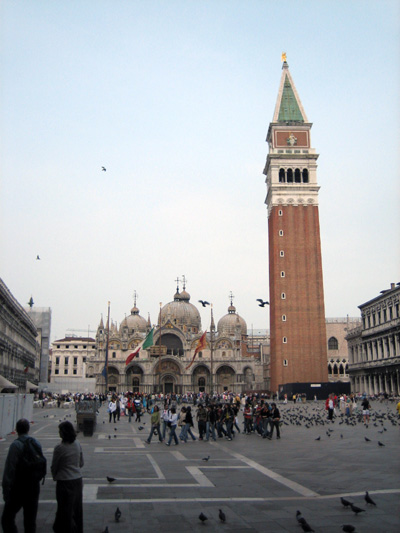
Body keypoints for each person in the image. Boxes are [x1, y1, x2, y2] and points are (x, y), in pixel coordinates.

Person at [2, 418, 44, 533]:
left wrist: (6, 490)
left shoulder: (16, 445)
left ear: (16, 430)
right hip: (34, 486)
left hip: (19, 486)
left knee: (7, 518)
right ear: (28, 429)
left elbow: (9, 468)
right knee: (30, 521)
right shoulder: (36, 443)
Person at [51, 421, 84, 533]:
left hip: (64, 482)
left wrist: (55, 476)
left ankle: (65, 529)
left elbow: (54, 466)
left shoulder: (59, 448)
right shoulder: (77, 444)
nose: (59, 433)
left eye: (60, 431)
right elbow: (81, 463)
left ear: (64, 432)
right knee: (77, 509)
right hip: (78, 480)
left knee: (64, 509)